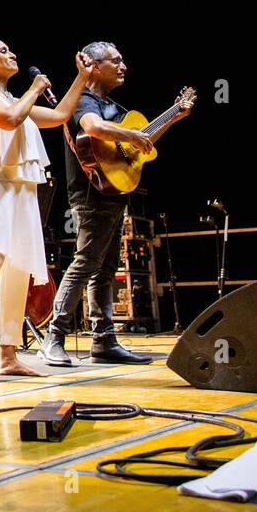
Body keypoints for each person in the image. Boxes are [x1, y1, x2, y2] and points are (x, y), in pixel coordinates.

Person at [41, 42, 190, 366]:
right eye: (115, 61)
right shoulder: (82, 100)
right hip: (90, 194)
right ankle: (54, 336)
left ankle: (103, 340)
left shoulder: (115, 108)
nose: (123, 66)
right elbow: (92, 127)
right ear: (94, 66)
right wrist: (130, 136)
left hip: (114, 192)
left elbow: (139, 145)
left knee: (105, 269)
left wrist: (174, 117)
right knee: (85, 263)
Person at [0, 37, 93, 376]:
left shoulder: (16, 99)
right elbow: (8, 120)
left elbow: (62, 114)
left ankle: (7, 355)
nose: (12, 53)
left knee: (18, 267)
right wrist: (34, 88)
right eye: (3, 51)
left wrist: (81, 77)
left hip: (21, 190)